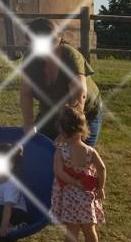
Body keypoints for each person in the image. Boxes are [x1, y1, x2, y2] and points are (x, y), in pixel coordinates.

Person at [20, 18, 102, 146]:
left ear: (56, 39)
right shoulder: (30, 58)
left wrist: (67, 133)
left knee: (76, 156)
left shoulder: (70, 57)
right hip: (51, 111)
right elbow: (26, 93)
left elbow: (79, 97)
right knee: (42, 149)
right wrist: (29, 125)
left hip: (82, 112)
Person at [50, 105, 106, 242]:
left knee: (72, 231)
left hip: (70, 197)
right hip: (88, 196)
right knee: (90, 229)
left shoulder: (62, 151)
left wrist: (74, 182)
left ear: (61, 129)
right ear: (84, 128)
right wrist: (100, 188)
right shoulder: (90, 151)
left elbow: (58, 172)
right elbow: (102, 168)